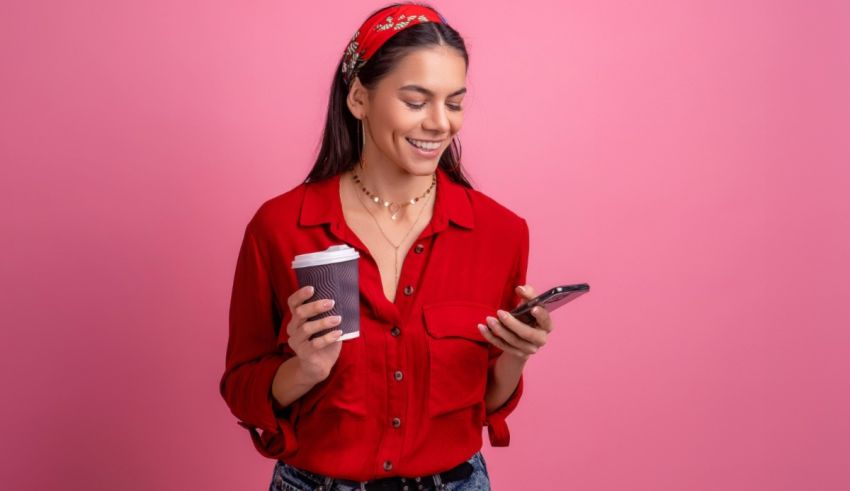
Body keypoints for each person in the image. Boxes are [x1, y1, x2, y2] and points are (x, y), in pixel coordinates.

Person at [220, 3, 556, 490]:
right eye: (417, 101)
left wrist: (516, 355)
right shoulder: (279, 227)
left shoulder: (500, 233)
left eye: (455, 102)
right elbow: (240, 386)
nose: (441, 123)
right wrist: (305, 368)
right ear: (359, 98)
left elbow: (485, 402)